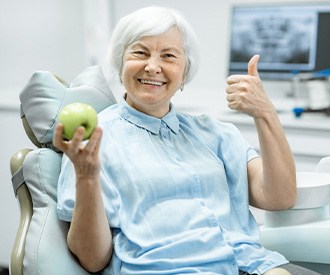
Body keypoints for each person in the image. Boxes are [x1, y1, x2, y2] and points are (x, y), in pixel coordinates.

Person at [53, 6, 320, 275]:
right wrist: (86, 176)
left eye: (169, 56)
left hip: (250, 264)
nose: (153, 66)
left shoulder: (215, 133)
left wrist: (265, 113)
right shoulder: (94, 142)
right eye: (140, 52)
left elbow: (280, 197)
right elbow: (93, 259)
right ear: (120, 63)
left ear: (184, 74)